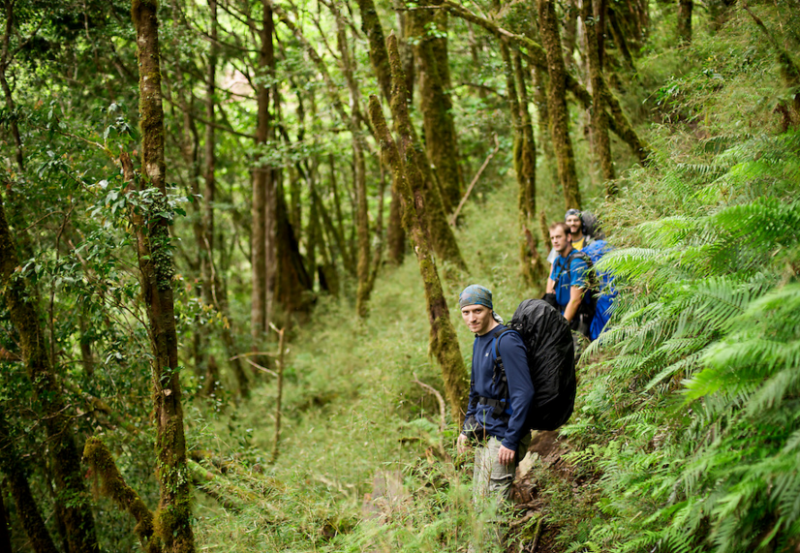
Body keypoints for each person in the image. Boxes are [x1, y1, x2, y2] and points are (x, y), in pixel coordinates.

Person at [456, 285, 534, 548]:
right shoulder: (479, 340)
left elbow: (524, 393)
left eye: (477, 311)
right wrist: (466, 429)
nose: (471, 318)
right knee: (482, 506)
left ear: (489, 308)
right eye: (466, 312)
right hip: (484, 432)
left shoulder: (506, 341)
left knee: (492, 513)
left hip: (503, 437)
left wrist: (511, 440)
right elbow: (474, 390)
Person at [546, 223, 590, 334]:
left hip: (577, 320)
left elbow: (575, 300)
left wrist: (561, 328)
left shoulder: (577, 263)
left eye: (558, 237)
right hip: (561, 316)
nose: (555, 241)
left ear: (569, 237)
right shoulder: (557, 261)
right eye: (552, 238)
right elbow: (551, 290)